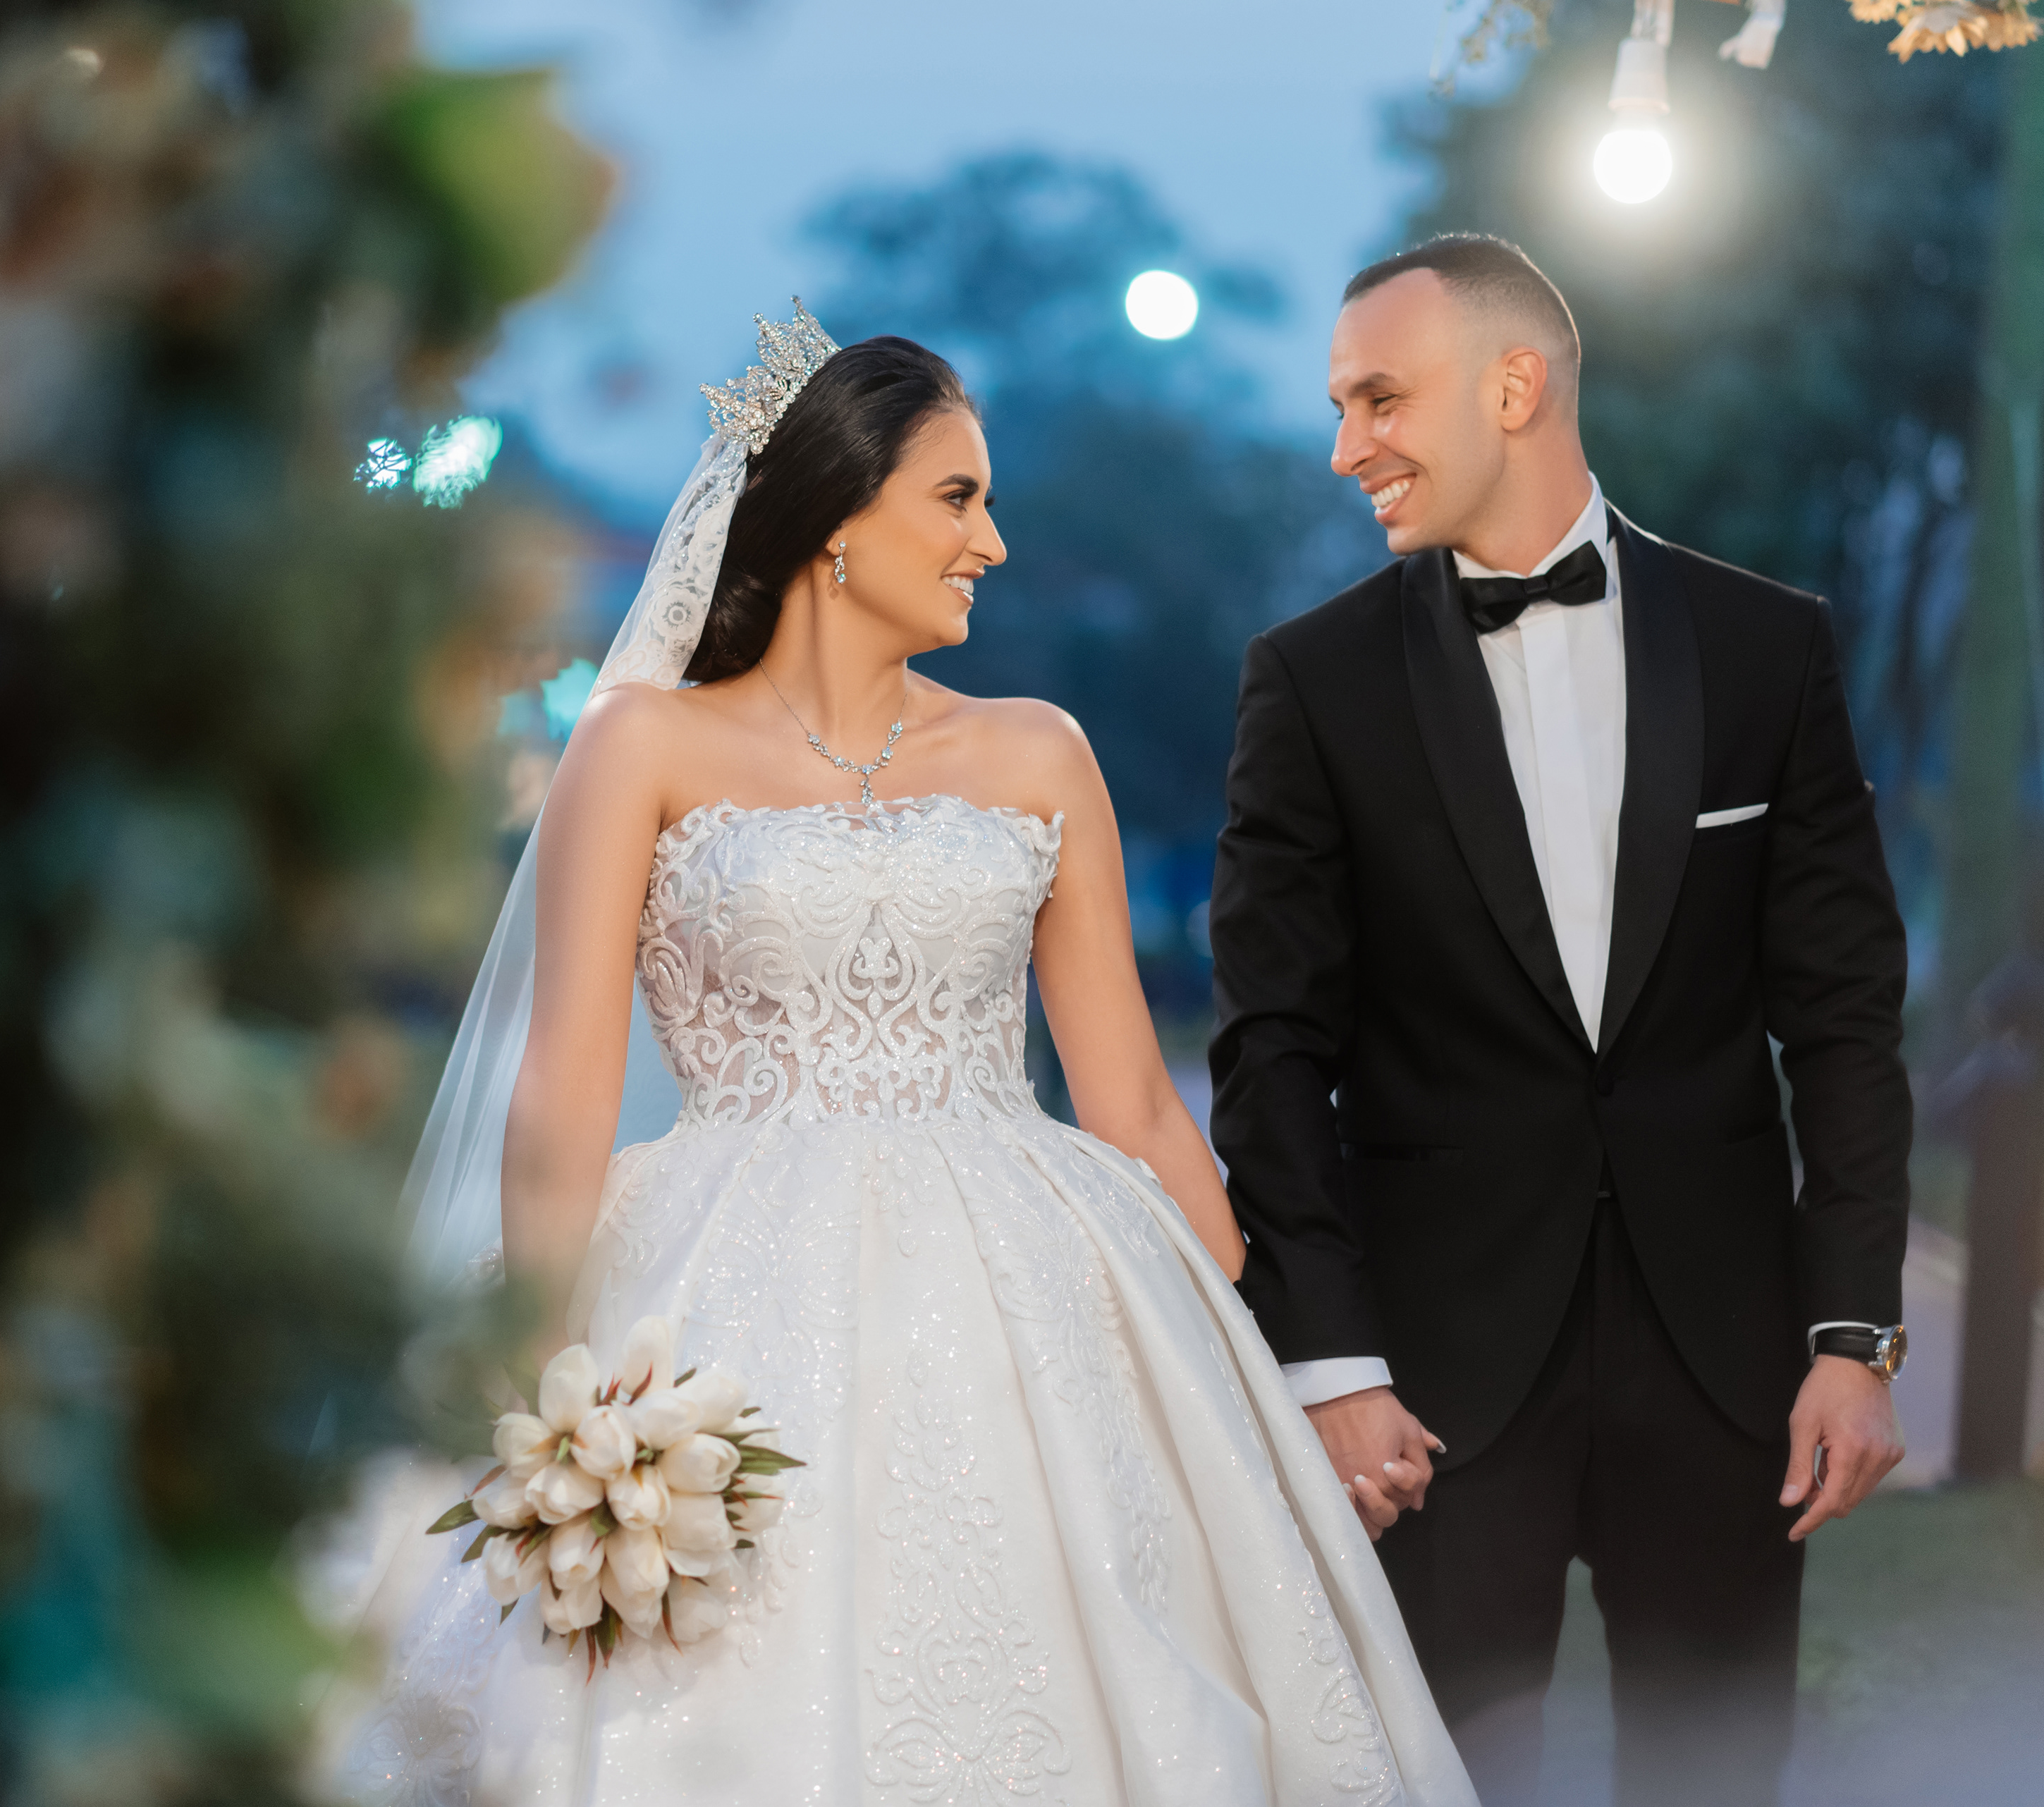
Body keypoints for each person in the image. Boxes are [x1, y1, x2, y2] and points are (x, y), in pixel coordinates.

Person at [343, 307, 1476, 1806]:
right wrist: (554, 1383)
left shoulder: (1035, 750)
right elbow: (560, 1090)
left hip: (1034, 1281)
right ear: (832, 521)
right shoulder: (642, 749)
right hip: (714, 1280)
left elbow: (1135, 1100)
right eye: (957, 498)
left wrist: (1272, 1373)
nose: (990, 543)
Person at [1207, 233, 1913, 1807]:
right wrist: (1330, 1363)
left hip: (1732, 1370)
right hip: (1432, 1387)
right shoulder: (1310, 684)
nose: (1348, 448)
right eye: (1338, 407)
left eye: (1380, 398)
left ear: (1514, 384)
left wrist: (1852, 1334)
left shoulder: (1765, 648)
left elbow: (1848, 1020)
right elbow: (1271, 1051)